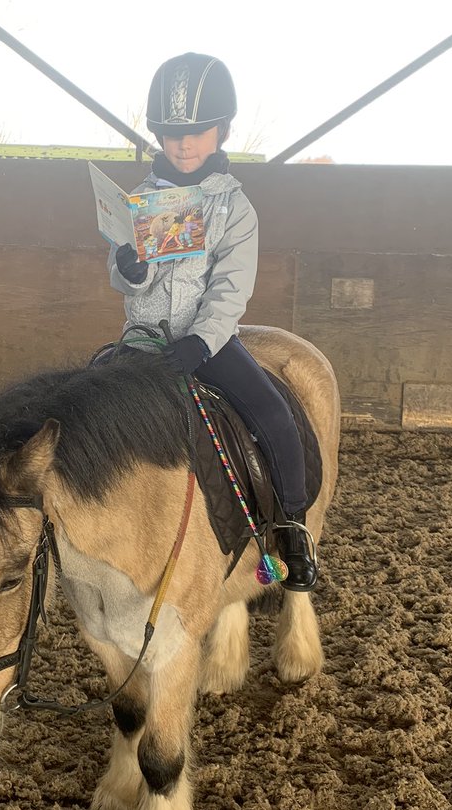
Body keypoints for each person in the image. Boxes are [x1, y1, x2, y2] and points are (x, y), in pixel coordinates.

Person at [108, 52, 317, 591]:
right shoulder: (139, 203)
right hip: (144, 343)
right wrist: (128, 269)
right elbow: (126, 280)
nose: (184, 144)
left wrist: (202, 342)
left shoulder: (235, 209)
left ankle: (291, 525)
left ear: (221, 130)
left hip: (208, 343)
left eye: (197, 132)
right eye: (173, 133)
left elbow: (231, 286)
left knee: (274, 415)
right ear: (157, 134)